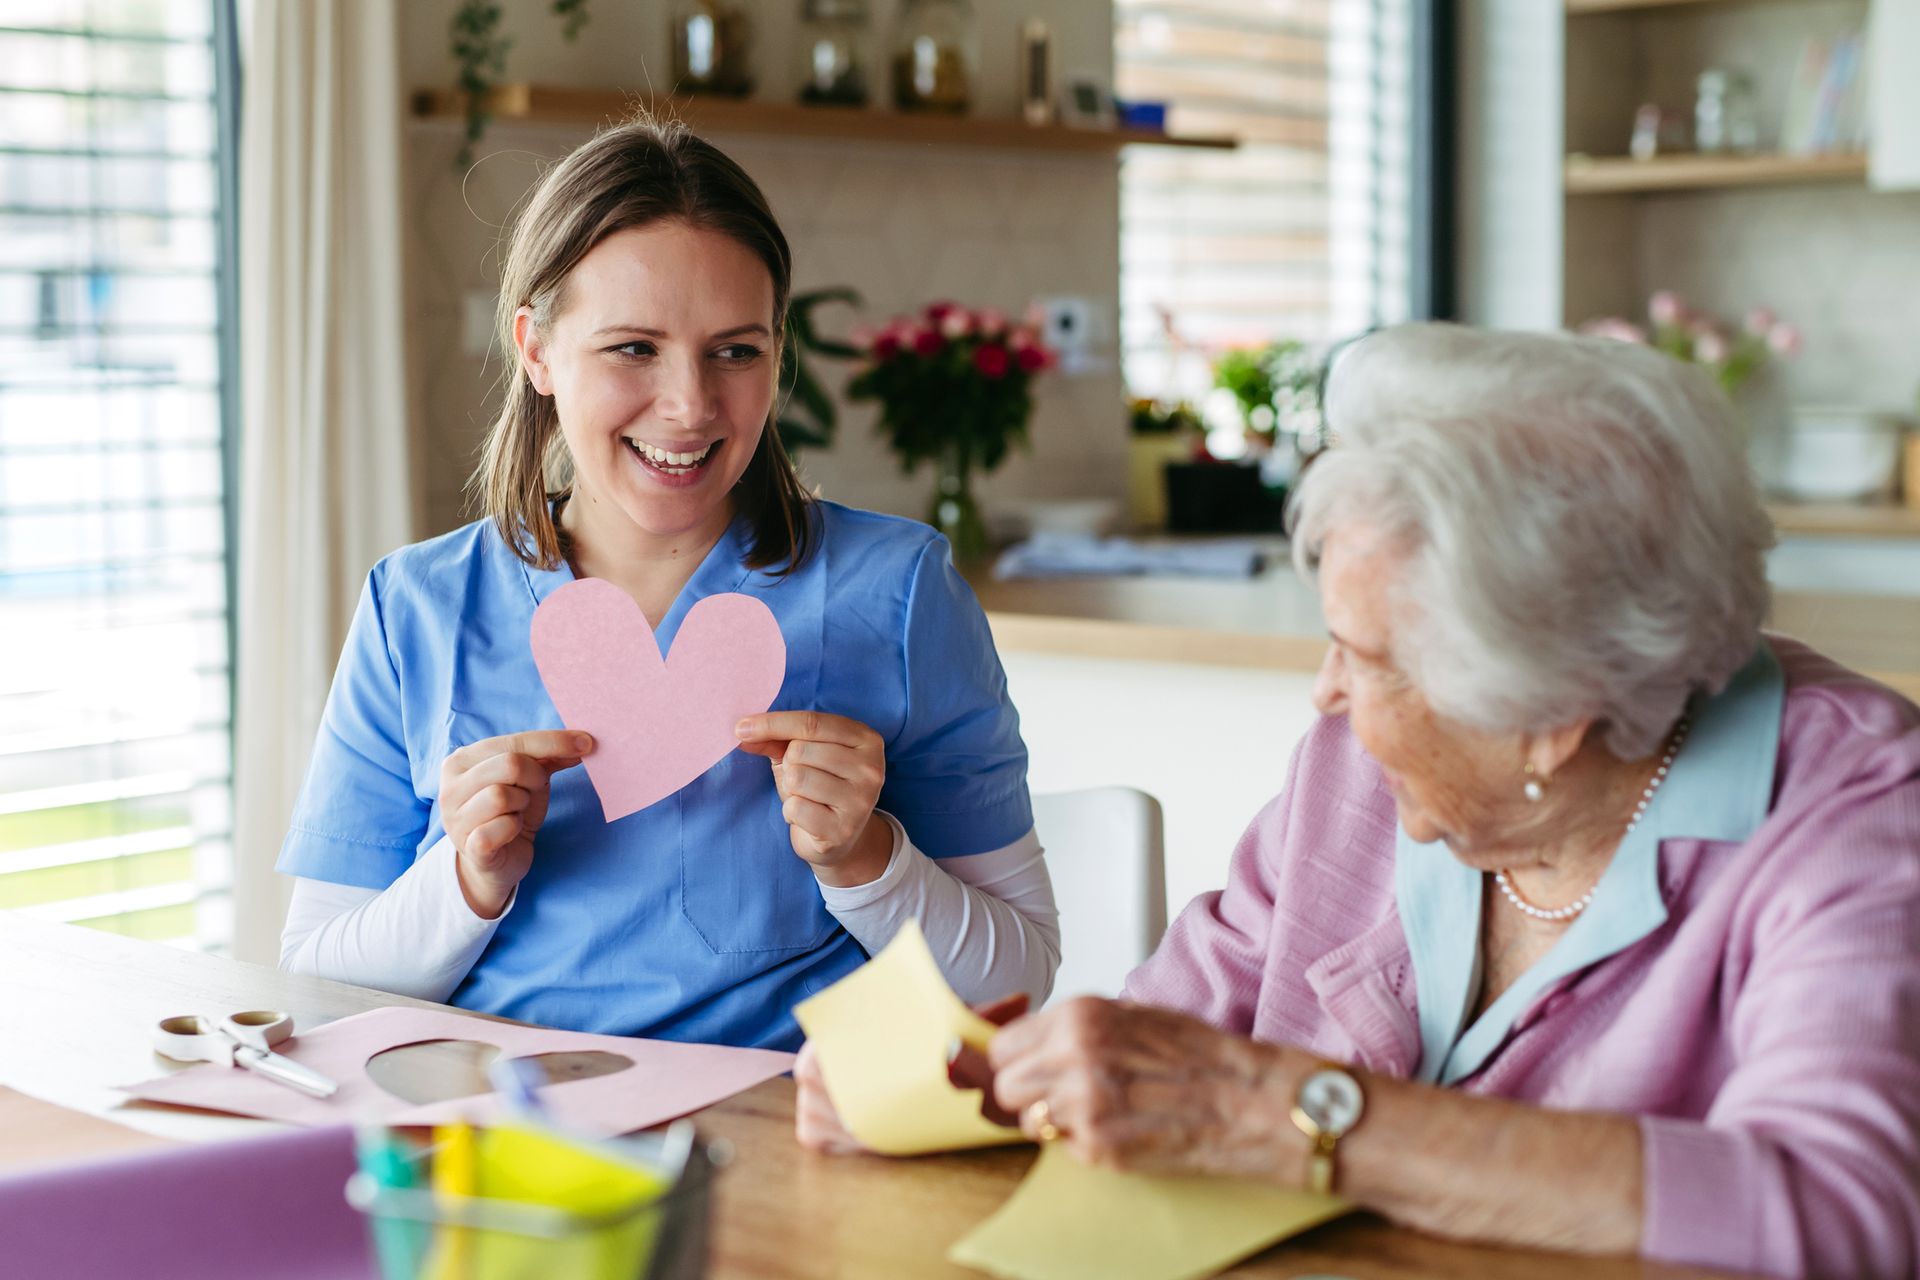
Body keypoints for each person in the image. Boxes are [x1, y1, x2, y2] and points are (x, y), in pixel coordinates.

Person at [797, 324, 1920, 1277]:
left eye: (1362, 655)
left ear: (1552, 711)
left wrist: (1303, 1117)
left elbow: (1846, 1208)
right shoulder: (1355, 766)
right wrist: (977, 1091)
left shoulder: (1852, 805)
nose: (1325, 692)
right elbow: (1175, 1040)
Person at [276, 118, 1058, 1050]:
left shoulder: (901, 590)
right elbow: (316, 979)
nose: (690, 407)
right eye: (633, 349)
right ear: (536, 350)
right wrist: (466, 880)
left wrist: (866, 860)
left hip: (792, 1141)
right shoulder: (414, 609)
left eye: (736, 350)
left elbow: (1021, 975)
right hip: (512, 1138)